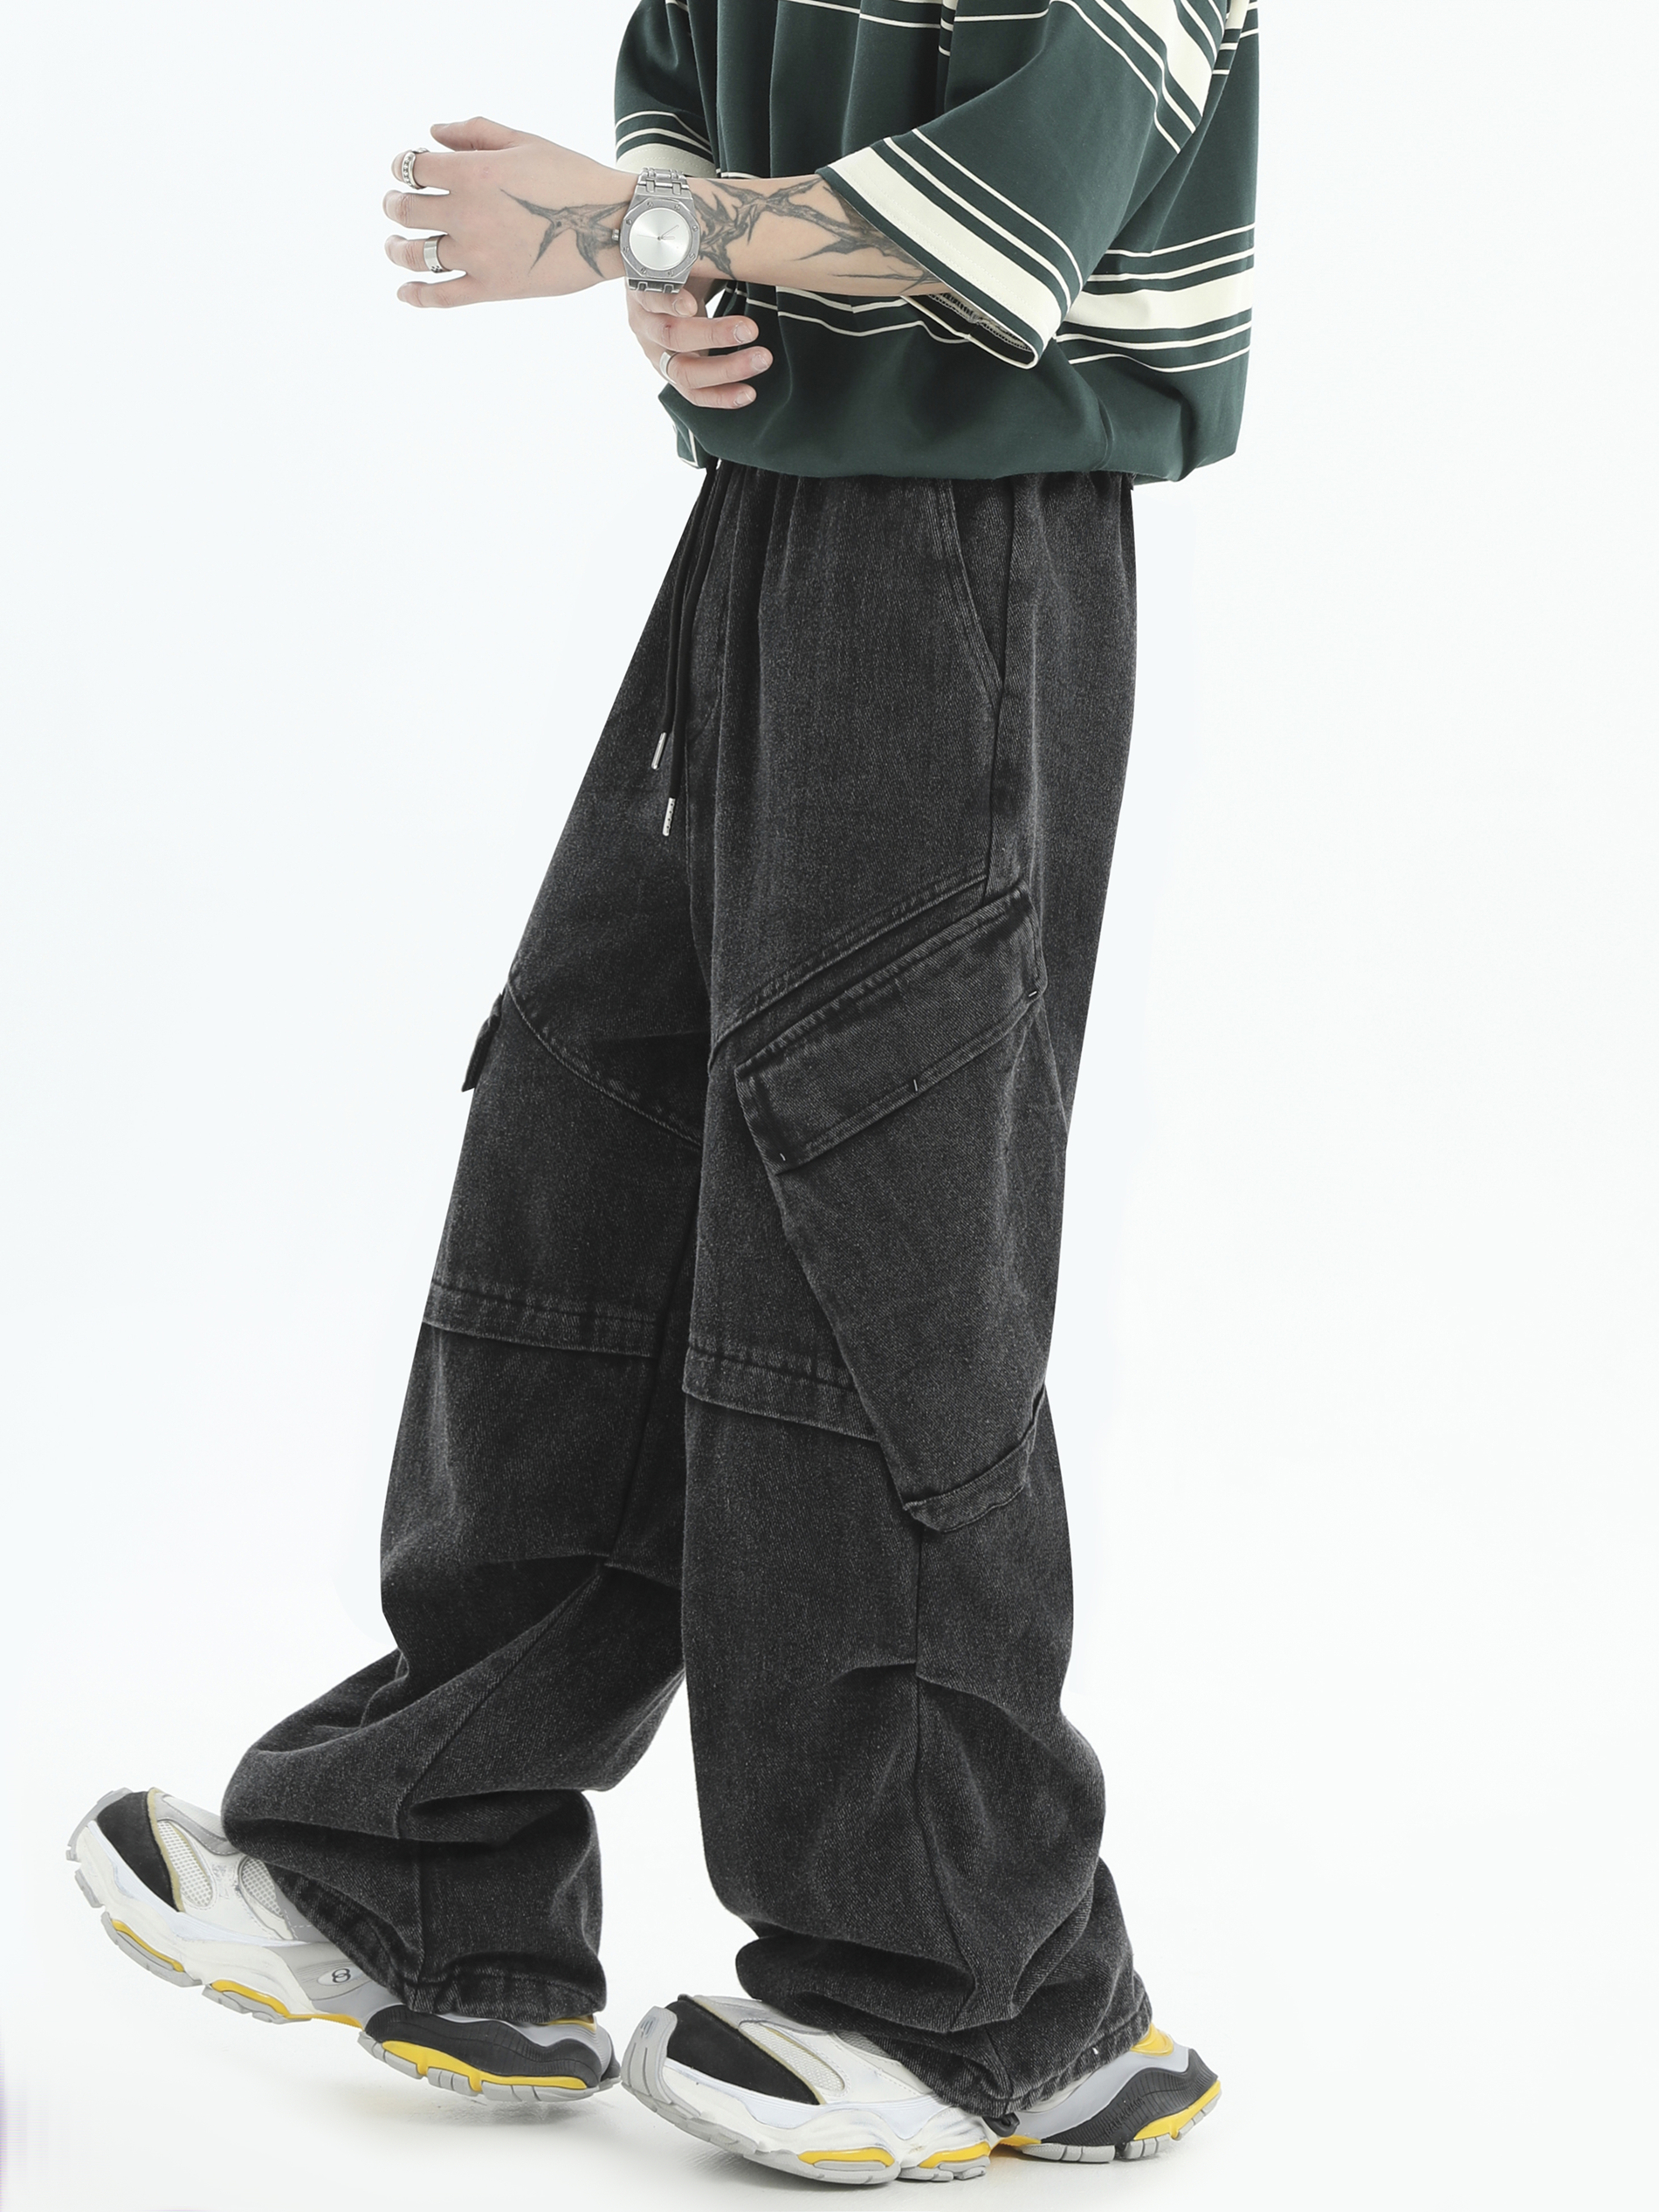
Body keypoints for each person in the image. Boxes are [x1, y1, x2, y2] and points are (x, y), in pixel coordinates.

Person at [66, 0, 1259, 2185]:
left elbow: (1023, 214)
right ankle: (423, 1853)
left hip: (970, 543)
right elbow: (684, 72)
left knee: (870, 1224)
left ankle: (973, 1995)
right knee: (586, 1138)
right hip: (772, 519)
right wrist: (669, 245)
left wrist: (639, 228)